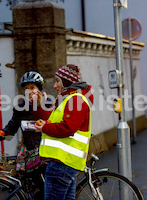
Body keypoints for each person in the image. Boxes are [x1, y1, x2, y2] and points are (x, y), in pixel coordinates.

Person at [35, 64, 94, 200]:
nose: (55, 86)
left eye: (57, 81)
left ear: (67, 82)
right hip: (65, 162)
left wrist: (44, 128)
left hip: (62, 163)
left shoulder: (75, 100)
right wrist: (47, 124)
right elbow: (64, 124)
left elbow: (67, 128)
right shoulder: (69, 99)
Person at [0, 71, 52, 199]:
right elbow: (13, 125)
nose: (29, 91)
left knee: (50, 189)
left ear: (39, 89)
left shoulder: (49, 105)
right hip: (31, 155)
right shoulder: (21, 108)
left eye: (32, 88)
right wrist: (3, 132)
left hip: (48, 153)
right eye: (26, 89)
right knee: (38, 189)